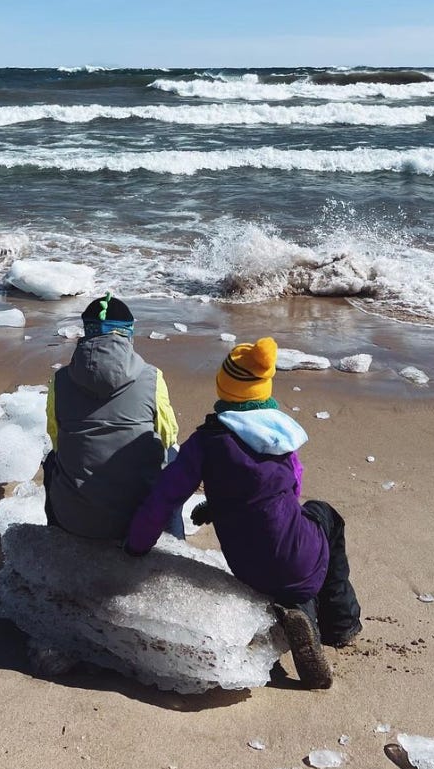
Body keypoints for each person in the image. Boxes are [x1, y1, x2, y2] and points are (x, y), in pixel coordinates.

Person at [124, 336, 361, 690]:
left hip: (246, 567)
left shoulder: (205, 442)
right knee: (324, 517)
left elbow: (164, 497)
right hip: (297, 559)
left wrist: (136, 545)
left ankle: (299, 610)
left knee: (291, 549)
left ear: (224, 386)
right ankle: (339, 625)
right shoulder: (280, 434)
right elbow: (288, 494)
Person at [43, 293, 179, 540]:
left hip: (74, 520)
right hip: (139, 519)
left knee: (52, 460)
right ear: (128, 333)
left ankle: (57, 534)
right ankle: (172, 539)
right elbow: (167, 436)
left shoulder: (60, 380)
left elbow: (56, 439)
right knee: (174, 457)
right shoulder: (152, 377)